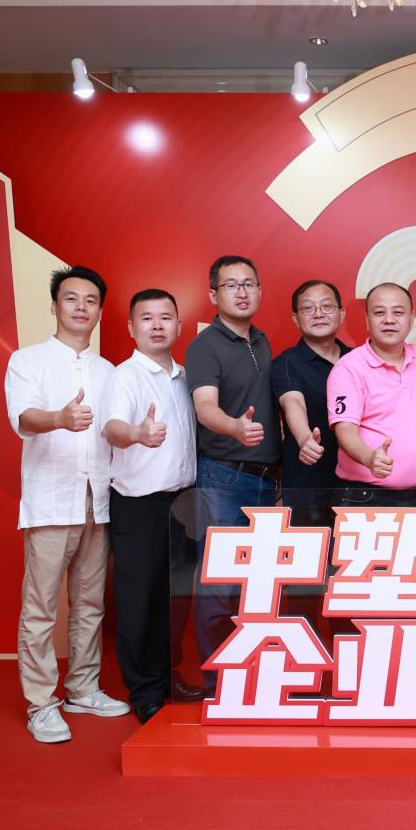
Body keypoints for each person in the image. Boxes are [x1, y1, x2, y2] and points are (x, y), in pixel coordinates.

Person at [4, 265, 129, 743]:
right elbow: (24, 417)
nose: (81, 307)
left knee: (91, 602)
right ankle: (40, 703)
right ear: (55, 306)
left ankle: (83, 688)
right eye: (72, 298)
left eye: (90, 300)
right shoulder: (28, 360)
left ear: (99, 311)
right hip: (51, 499)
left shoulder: (109, 372)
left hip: (99, 499)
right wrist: (58, 417)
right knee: (40, 606)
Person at [101, 288, 202, 725]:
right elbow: (112, 427)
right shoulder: (125, 376)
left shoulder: (185, 378)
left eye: (165, 317)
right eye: (147, 318)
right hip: (139, 504)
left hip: (184, 504)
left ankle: (165, 678)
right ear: (131, 328)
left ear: (179, 325)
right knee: (140, 598)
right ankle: (143, 690)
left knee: (173, 600)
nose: (157, 325)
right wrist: (137, 434)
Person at [185, 255, 278, 692]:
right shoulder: (205, 346)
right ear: (213, 295)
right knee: (219, 584)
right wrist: (234, 427)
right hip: (223, 477)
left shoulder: (261, 340)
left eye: (249, 284)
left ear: (259, 291)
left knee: (257, 586)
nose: (242, 292)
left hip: (265, 479)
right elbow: (205, 407)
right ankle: (217, 684)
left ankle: (252, 680)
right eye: (231, 285)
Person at [327, 282, 416, 506]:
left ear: (412, 319)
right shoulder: (349, 368)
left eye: (398, 312)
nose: (389, 320)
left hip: (414, 497)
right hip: (362, 497)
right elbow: (345, 429)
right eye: (379, 313)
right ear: (367, 321)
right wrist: (369, 457)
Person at [272, 279, 351, 528]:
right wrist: (305, 438)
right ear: (296, 319)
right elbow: (292, 402)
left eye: (327, 306)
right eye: (308, 308)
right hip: (307, 487)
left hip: (356, 487)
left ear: (341, 314)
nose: (318, 314)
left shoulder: (358, 360)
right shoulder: (286, 363)